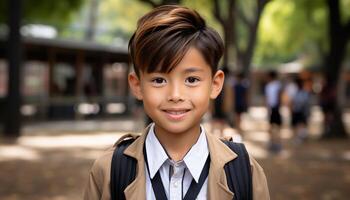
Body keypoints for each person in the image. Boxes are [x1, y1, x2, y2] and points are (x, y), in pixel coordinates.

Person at [84, 5, 269, 200]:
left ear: (215, 84)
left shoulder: (244, 170)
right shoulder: (109, 171)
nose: (175, 95)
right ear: (137, 85)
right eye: (159, 80)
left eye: (191, 80)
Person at [265, 70, 283, 153]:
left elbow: (269, 98)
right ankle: (275, 143)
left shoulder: (271, 86)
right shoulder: (276, 85)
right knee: (275, 126)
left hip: (274, 107)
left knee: (273, 126)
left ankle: (275, 143)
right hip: (275, 107)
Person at [290, 77, 311, 144]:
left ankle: (302, 138)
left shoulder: (304, 92)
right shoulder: (296, 92)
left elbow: (305, 103)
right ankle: (298, 138)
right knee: (297, 125)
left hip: (302, 111)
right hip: (297, 111)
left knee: (302, 125)